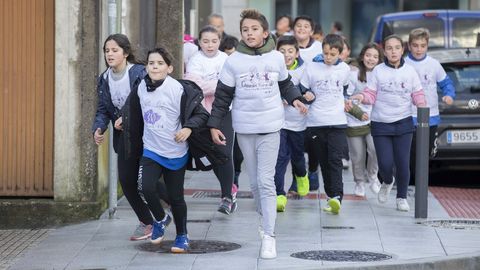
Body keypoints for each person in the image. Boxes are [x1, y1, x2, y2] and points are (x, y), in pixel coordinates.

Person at [207, 9, 308, 259]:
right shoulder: (234, 61)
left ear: (265, 32)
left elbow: (285, 84)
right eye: (245, 30)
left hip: (272, 126)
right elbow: (222, 97)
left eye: (254, 29)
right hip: (244, 128)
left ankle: (270, 236)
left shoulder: (275, 58)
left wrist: (295, 99)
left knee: (265, 181)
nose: (249, 33)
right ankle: (264, 224)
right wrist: (214, 124)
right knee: (254, 185)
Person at [122, 47, 210, 252]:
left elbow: (200, 114)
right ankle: (160, 219)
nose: (155, 66)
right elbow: (131, 111)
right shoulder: (141, 88)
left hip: (175, 151)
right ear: (146, 67)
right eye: (151, 63)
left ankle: (182, 235)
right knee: (144, 186)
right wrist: (122, 119)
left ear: (169, 68)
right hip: (151, 149)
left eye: (160, 63)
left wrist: (188, 128)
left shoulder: (178, 89)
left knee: (176, 197)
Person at [349, 35, 427, 212]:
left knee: (402, 162)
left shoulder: (410, 71)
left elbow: (418, 94)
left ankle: (401, 197)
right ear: (384, 51)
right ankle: (387, 181)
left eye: (397, 48)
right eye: (389, 48)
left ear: (402, 50)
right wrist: (361, 97)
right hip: (381, 123)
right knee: (384, 164)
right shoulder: (378, 71)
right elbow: (370, 94)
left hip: (404, 123)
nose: (393, 51)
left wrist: (422, 104)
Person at [92, 34, 155, 241]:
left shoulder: (138, 72)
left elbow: (146, 100)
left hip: (147, 134)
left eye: (115, 50)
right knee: (127, 181)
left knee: (148, 181)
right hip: (123, 138)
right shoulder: (104, 78)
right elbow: (102, 109)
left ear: (125, 53)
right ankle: (147, 222)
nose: (110, 54)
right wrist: (99, 127)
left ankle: (170, 209)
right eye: (107, 50)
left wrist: (126, 117)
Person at [184, 25, 237, 215]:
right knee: (212, 153)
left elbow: (231, 86)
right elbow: (194, 88)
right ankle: (228, 188)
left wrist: (212, 86)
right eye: (205, 41)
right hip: (202, 113)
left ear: (220, 41)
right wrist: (219, 84)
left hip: (224, 112)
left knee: (224, 152)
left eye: (214, 41)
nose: (210, 45)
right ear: (199, 41)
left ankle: (227, 198)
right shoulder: (195, 60)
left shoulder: (226, 59)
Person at [299, 34, 350, 215]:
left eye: (333, 54)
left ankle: (337, 196)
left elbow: (345, 90)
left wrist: (349, 102)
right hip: (315, 122)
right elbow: (302, 87)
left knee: (335, 160)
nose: (328, 57)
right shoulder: (311, 67)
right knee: (323, 161)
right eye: (326, 53)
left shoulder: (344, 69)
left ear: (340, 53)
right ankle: (330, 196)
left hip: (337, 121)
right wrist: (307, 94)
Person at [405, 28, 455, 183]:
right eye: (415, 45)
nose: (419, 49)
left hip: (430, 117)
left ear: (427, 46)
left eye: (422, 45)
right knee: (411, 153)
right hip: (408, 115)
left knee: (426, 153)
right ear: (409, 46)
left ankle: (420, 183)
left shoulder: (434, 64)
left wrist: (449, 95)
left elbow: (446, 84)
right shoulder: (404, 64)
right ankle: (412, 184)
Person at [274, 35, 315, 212]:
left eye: (290, 51)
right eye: (282, 51)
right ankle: (279, 195)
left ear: (297, 53)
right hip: (279, 123)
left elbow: (310, 90)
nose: (286, 54)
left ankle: (301, 175)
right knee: (280, 158)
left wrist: (309, 96)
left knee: (297, 157)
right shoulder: (274, 69)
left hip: (298, 123)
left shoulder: (305, 69)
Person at [345, 43, 383, 197]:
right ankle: (359, 182)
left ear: (380, 59)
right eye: (368, 55)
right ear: (362, 56)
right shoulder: (353, 74)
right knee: (357, 155)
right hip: (354, 120)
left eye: (375, 56)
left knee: (375, 150)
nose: (371, 59)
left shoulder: (382, 74)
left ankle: (373, 177)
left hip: (375, 120)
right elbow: (346, 99)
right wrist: (357, 112)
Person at [292, 15, 323, 193]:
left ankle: (312, 170)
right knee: (295, 143)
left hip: (314, 99)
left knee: (313, 141)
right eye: (298, 26)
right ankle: (298, 176)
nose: (302, 29)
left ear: (312, 31)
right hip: (293, 99)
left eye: (306, 26)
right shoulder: (286, 45)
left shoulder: (319, 48)